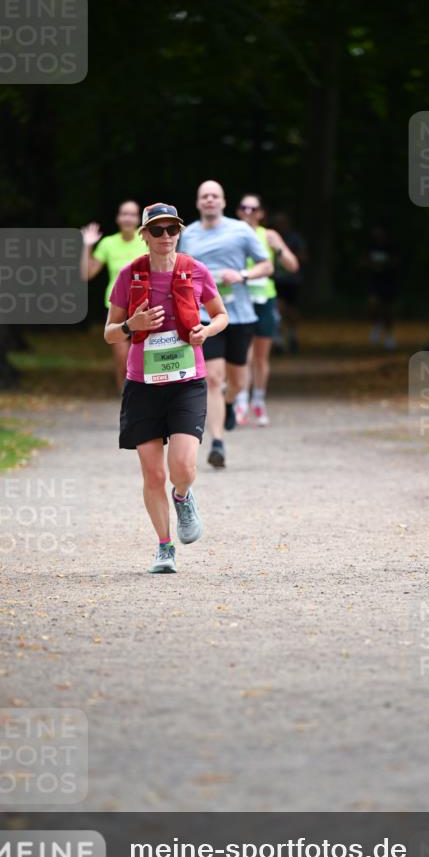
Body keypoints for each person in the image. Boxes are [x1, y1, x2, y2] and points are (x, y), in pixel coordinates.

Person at [105, 202, 228, 573]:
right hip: (143, 385)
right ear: (143, 235)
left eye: (171, 230)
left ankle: (184, 495)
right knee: (153, 474)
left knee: (183, 467)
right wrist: (133, 323)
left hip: (187, 382)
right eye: (156, 230)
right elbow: (110, 333)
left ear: (179, 232)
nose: (165, 237)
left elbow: (221, 315)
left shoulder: (196, 271)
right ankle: (164, 546)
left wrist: (205, 330)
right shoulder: (129, 276)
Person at [179, 180, 272, 468]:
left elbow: (266, 266)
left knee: (236, 381)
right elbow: (178, 270)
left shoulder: (240, 230)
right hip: (205, 317)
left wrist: (242, 275)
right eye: (203, 196)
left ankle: (231, 404)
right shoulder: (188, 235)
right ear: (197, 203)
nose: (209, 200)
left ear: (222, 202)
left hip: (239, 315)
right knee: (213, 378)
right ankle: (217, 442)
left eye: (214, 196)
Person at [234, 194, 299, 426]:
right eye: (244, 207)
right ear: (238, 211)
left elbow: (293, 266)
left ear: (261, 213)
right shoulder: (232, 234)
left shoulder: (269, 235)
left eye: (254, 208)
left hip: (265, 299)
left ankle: (258, 401)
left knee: (260, 357)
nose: (249, 212)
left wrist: (278, 250)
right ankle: (240, 402)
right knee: (243, 355)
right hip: (240, 300)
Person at [81, 201, 147, 392]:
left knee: (144, 356)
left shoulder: (147, 240)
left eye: (132, 214)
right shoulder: (108, 243)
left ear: (138, 219)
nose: (128, 218)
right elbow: (87, 274)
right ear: (118, 218)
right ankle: (125, 396)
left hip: (144, 305)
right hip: (116, 306)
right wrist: (87, 247)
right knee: (122, 358)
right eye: (124, 214)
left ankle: (144, 397)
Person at [271, 212, 305, 354]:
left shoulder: (294, 238)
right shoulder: (270, 237)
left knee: (291, 311)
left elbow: (303, 256)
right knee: (278, 309)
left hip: (291, 281)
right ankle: (278, 340)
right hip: (276, 280)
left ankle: (292, 337)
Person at [363, 225, 399, 349]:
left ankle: (389, 335)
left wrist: (384, 266)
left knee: (387, 309)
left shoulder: (391, 246)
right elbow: (364, 260)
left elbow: (395, 262)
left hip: (388, 281)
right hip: (374, 280)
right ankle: (376, 325)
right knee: (372, 304)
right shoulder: (370, 246)